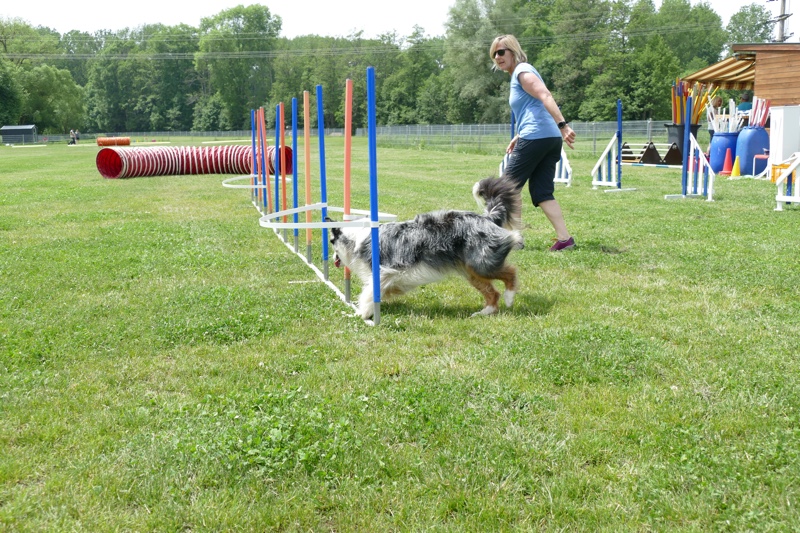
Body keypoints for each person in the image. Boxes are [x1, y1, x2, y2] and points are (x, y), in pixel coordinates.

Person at [490, 34, 576, 251]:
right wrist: (519, 134)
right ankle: (565, 239)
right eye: (494, 54)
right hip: (548, 138)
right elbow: (534, 108)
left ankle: (514, 239)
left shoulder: (522, 71)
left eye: (501, 52)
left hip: (539, 136)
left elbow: (545, 95)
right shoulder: (520, 73)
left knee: (507, 188)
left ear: (513, 51)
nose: (497, 57)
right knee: (542, 192)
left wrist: (563, 125)